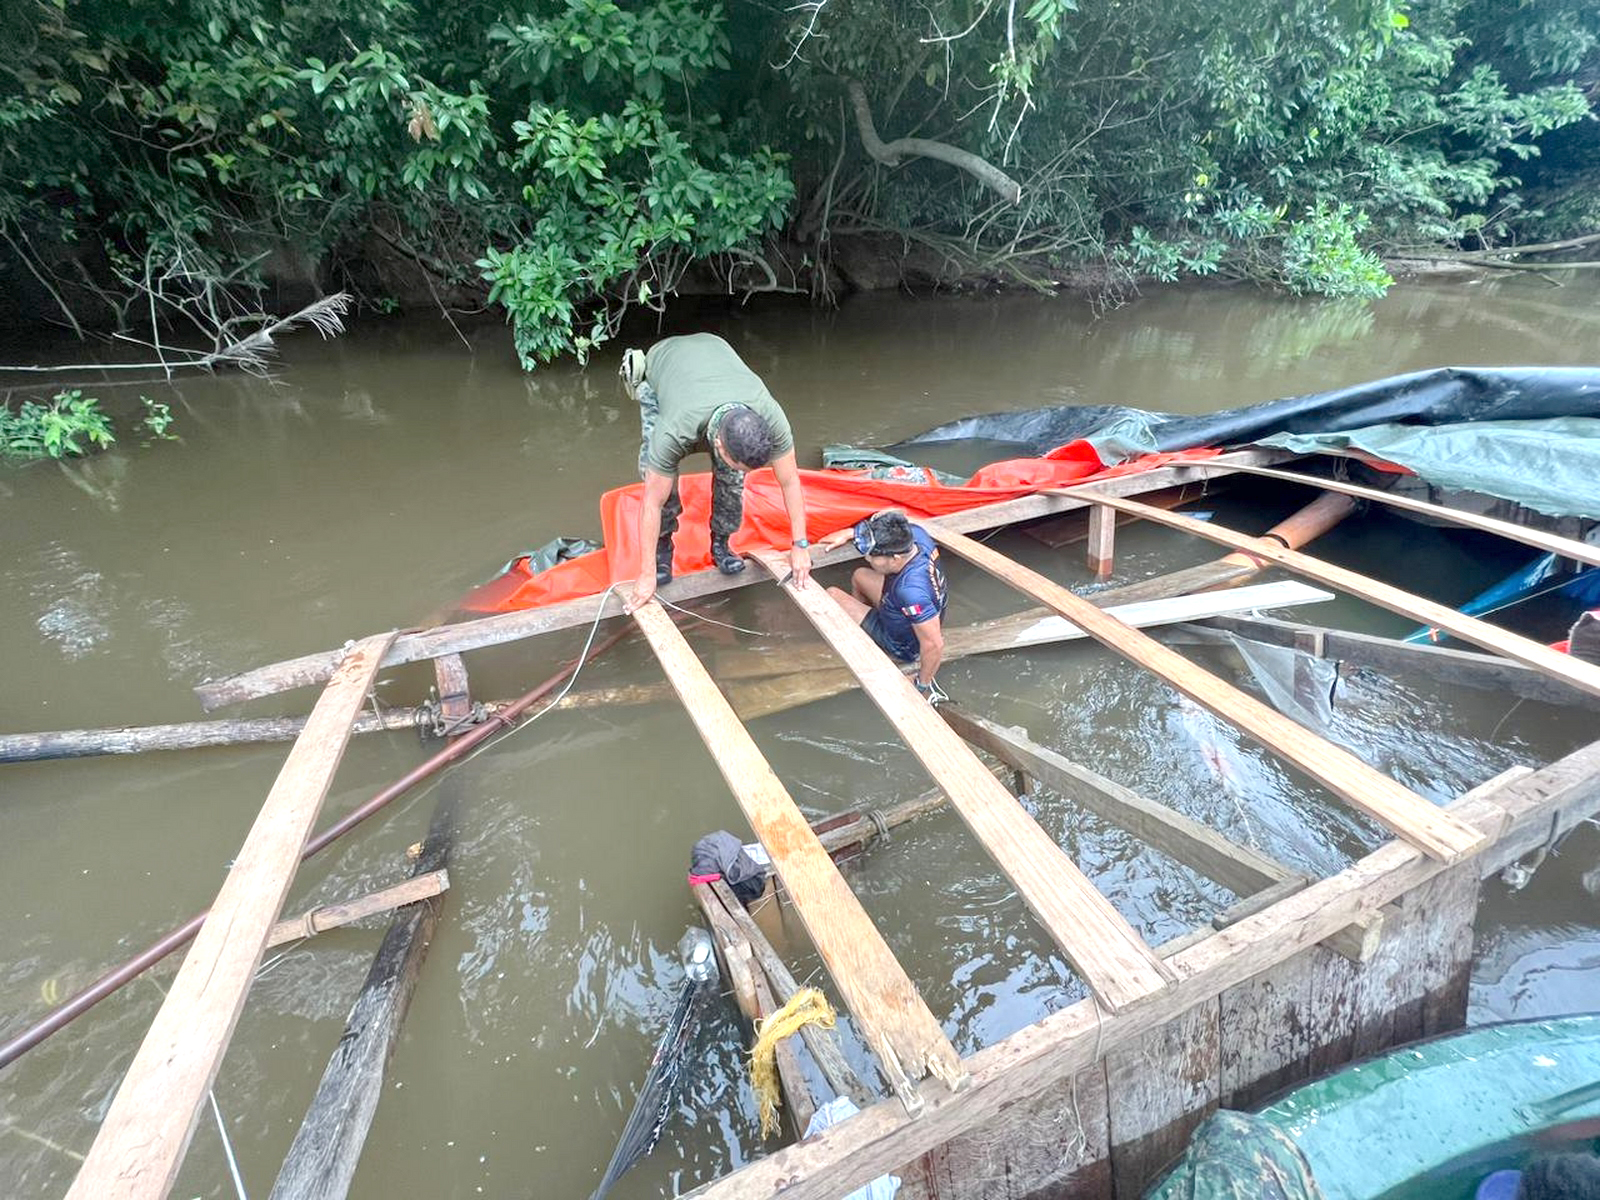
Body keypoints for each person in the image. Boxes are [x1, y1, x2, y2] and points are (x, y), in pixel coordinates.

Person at [619, 333, 811, 611]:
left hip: (716, 349)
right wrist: (646, 573)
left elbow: (790, 481)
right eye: (735, 461)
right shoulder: (674, 429)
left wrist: (801, 544)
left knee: (732, 481)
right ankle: (663, 549)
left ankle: (720, 543)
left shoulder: (771, 417)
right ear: (719, 444)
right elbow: (652, 501)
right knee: (661, 481)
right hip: (664, 368)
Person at [816, 510, 948, 701]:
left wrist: (921, 683)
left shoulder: (911, 592)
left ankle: (862, 643)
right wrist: (850, 533)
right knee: (860, 574)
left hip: (903, 643)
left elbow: (934, 644)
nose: (868, 558)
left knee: (831, 596)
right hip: (899, 606)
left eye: (873, 556)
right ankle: (861, 628)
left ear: (895, 559)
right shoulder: (915, 535)